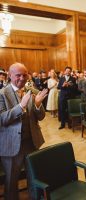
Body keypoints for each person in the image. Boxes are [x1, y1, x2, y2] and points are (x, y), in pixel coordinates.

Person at [0, 63, 48, 200]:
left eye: (25, 74)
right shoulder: (2, 94)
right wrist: (21, 106)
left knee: (34, 176)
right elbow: (2, 119)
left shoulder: (31, 90)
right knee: (11, 181)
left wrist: (38, 105)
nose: (22, 78)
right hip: (11, 146)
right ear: (10, 75)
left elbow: (41, 117)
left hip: (31, 142)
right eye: (18, 75)